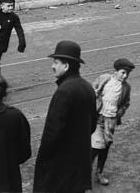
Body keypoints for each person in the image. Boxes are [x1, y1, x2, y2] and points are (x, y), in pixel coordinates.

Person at [33, 40, 98, 193]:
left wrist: (43, 161)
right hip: (80, 163)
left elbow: (52, 134)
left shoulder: (64, 91)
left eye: (56, 62)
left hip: (60, 167)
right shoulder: (87, 87)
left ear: (66, 66)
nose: (52, 66)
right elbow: (92, 125)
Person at [91, 58, 135, 186]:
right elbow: (92, 90)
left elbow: (126, 103)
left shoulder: (126, 87)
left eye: (127, 74)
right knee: (94, 147)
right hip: (98, 118)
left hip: (110, 121)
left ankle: (99, 173)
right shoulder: (105, 79)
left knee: (105, 147)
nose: (125, 76)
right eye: (123, 72)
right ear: (115, 71)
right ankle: (83, 176)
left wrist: (118, 114)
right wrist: (95, 97)